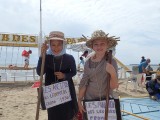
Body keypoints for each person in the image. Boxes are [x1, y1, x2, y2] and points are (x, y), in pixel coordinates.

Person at [78, 30, 121, 119]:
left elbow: (114, 86)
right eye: (96, 44)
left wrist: (112, 73)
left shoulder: (111, 61)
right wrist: (79, 100)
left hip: (106, 100)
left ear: (107, 45)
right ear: (92, 46)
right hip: (89, 100)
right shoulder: (88, 62)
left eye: (102, 44)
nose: (99, 47)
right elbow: (84, 82)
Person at [36, 31, 78, 120]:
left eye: (59, 44)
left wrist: (65, 75)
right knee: (53, 115)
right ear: (49, 45)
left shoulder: (69, 58)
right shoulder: (46, 57)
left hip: (66, 91)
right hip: (51, 92)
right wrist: (41, 57)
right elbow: (40, 73)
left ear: (63, 45)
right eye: (53, 45)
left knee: (67, 113)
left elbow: (74, 72)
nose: (56, 48)